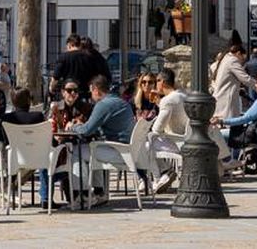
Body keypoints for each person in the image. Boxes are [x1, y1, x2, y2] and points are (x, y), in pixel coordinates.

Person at [69, 75, 135, 203]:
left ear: (95, 89)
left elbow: (86, 130)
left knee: (77, 152)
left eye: (91, 91)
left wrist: (73, 127)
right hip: (126, 150)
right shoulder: (121, 102)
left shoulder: (103, 105)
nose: (91, 96)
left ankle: (82, 195)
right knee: (93, 147)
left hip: (117, 151)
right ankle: (99, 192)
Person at [214, 72, 257, 172]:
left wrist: (221, 121)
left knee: (218, 134)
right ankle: (230, 162)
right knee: (230, 131)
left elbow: (245, 119)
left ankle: (226, 163)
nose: (256, 85)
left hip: (251, 135)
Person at [150, 67, 187, 193]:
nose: (155, 84)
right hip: (185, 138)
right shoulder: (183, 95)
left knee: (146, 142)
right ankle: (165, 173)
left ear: (163, 82)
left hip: (177, 141)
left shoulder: (168, 100)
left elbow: (157, 128)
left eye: (157, 81)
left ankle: (162, 174)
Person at [211, 41, 254, 120]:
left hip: (221, 98)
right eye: (243, 58)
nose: (242, 62)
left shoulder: (225, 59)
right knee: (228, 126)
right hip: (227, 101)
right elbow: (245, 78)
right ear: (238, 53)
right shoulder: (233, 60)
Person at [50, 35, 92, 100]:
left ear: (69, 44)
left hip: (68, 92)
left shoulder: (63, 57)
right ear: (79, 44)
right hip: (83, 93)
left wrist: (51, 89)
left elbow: (55, 78)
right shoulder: (88, 57)